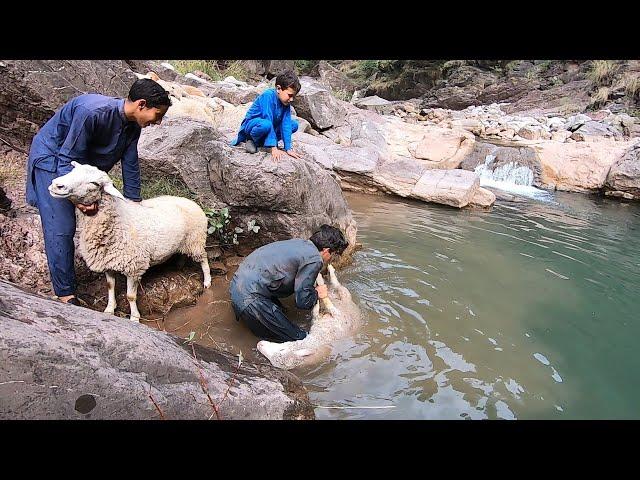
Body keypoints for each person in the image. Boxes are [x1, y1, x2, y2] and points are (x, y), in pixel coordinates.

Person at [25, 78, 172, 306]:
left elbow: (130, 162)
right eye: (158, 115)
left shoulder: (133, 124)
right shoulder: (92, 112)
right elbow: (67, 159)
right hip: (55, 159)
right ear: (141, 105)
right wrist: (78, 200)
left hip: (83, 164)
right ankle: (65, 293)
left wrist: (134, 204)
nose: (159, 122)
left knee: (101, 212)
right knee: (61, 224)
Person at [229, 225, 349, 342]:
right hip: (249, 300)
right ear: (327, 251)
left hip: (237, 287)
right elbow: (303, 301)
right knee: (302, 339)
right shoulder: (314, 259)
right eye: (333, 255)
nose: (330, 259)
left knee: (283, 314)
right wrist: (317, 293)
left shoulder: (300, 243)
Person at [231, 70, 303, 162]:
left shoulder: (285, 103)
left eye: (294, 96)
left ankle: (264, 143)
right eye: (290, 95)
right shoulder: (267, 96)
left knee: (293, 125)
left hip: (268, 126)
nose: (291, 99)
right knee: (266, 124)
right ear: (278, 88)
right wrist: (273, 148)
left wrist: (288, 148)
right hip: (254, 126)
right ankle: (252, 140)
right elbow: (267, 118)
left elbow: (286, 124)